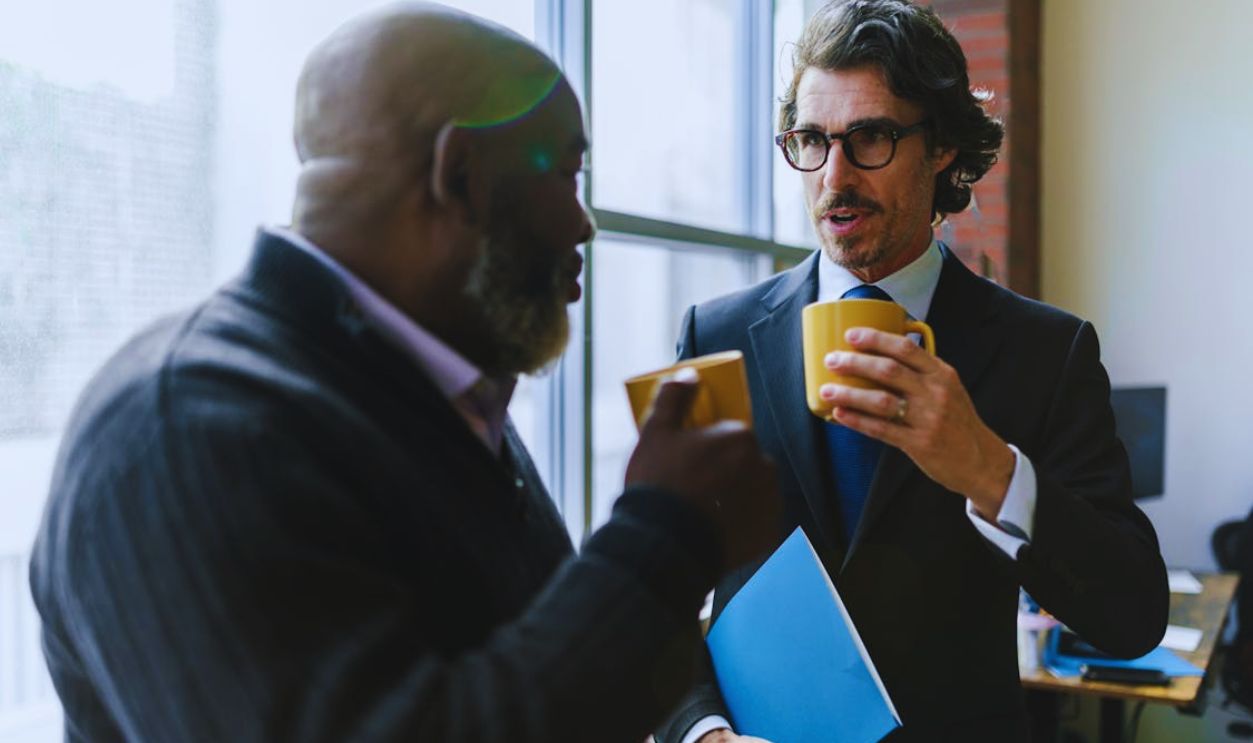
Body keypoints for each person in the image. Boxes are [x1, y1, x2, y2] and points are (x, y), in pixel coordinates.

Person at [28, 4, 781, 742]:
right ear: (459, 175)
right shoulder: (183, 435)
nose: (584, 223)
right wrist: (664, 536)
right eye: (568, 176)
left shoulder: (430, 398)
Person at [658, 1, 1168, 741]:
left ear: (940, 149)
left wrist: (990, 469)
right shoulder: (718, 334)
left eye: (869, 138)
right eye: (809, 140)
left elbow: (1132, 617)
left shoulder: (1046, 353)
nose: (833, 176)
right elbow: (656, 589)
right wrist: (700, 732)